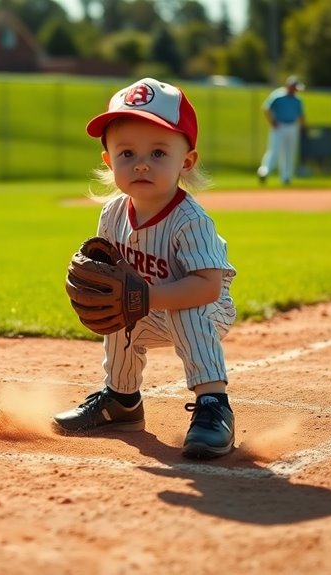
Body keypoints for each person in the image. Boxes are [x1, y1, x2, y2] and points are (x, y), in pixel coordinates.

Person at [52, 77, 238, 459]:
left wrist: (145, 296)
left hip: (205, 310)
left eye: (157, 153)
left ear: (186, 161)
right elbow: (112, 279)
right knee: (117, 305)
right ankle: (121, 400)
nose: (140, 163)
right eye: (126, 154)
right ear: (108, 161)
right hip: (149, 309)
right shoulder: (113, 213)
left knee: (174, 305)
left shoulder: (190, 220)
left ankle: (213, 405)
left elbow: (207, 287)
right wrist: (109, 291)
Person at [257, 75, 306, 185]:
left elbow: (301, 115)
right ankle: (264, 171)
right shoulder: (278, 96)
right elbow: (266, 109)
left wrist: (303, 127)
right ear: (289, 86)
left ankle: (286, 177)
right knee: (274, 151)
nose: (296, 90)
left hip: (292, 126)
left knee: (289, 153)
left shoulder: (297, 100)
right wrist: (271, 122)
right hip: (279, 126)